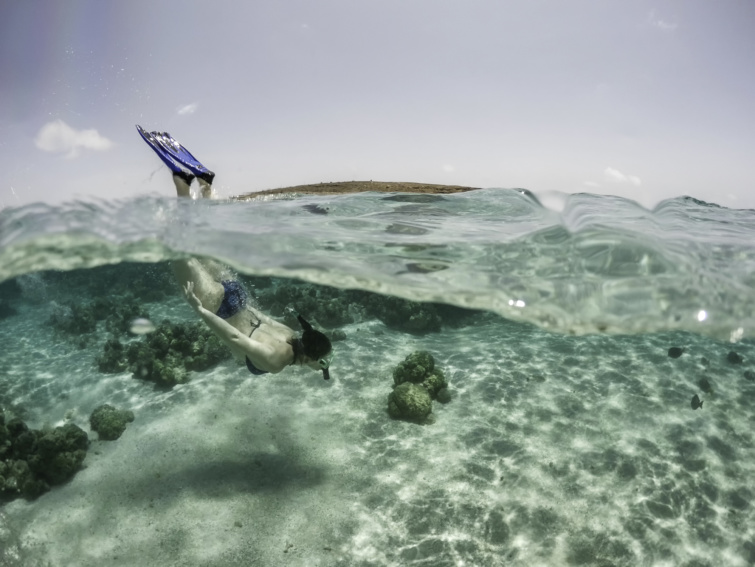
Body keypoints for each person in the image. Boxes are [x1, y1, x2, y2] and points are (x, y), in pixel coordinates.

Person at [136, 125, 333, 380]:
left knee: (197, 242)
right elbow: (233, 337)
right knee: (177, 245)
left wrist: (321, 363)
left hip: (237, 295)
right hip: (218, 308)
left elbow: (268, 324)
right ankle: (183, 187)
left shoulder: (291, 335)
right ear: (312, 357)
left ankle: (200, 186)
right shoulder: (277, 361)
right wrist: (201, 311)